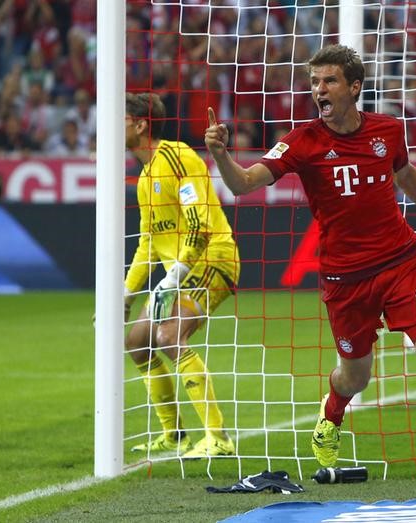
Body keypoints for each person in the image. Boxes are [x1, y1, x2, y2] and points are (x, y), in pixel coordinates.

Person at [204, 44, 416, 513]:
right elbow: (244, 183)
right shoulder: (301, 141)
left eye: (328, 82)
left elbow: (405, 175)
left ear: (353, 87)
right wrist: (222, 156)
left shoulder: (388, 130)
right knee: (356, 376)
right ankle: (331, 415)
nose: (318, 91)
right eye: (314, 83)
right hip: (346, 279)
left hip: (400, 263)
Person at [124, 92, 239, 459]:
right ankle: (174, 435)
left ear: (141, 124)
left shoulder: (178, 157)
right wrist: (125, 296)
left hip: (212, 259)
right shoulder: (145, 178)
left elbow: (200, 227)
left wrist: (173, 277)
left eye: (119, 118)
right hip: (179, 273)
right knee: (138, 341)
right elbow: (147, 243)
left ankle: (218, 437)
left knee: (169, 335)